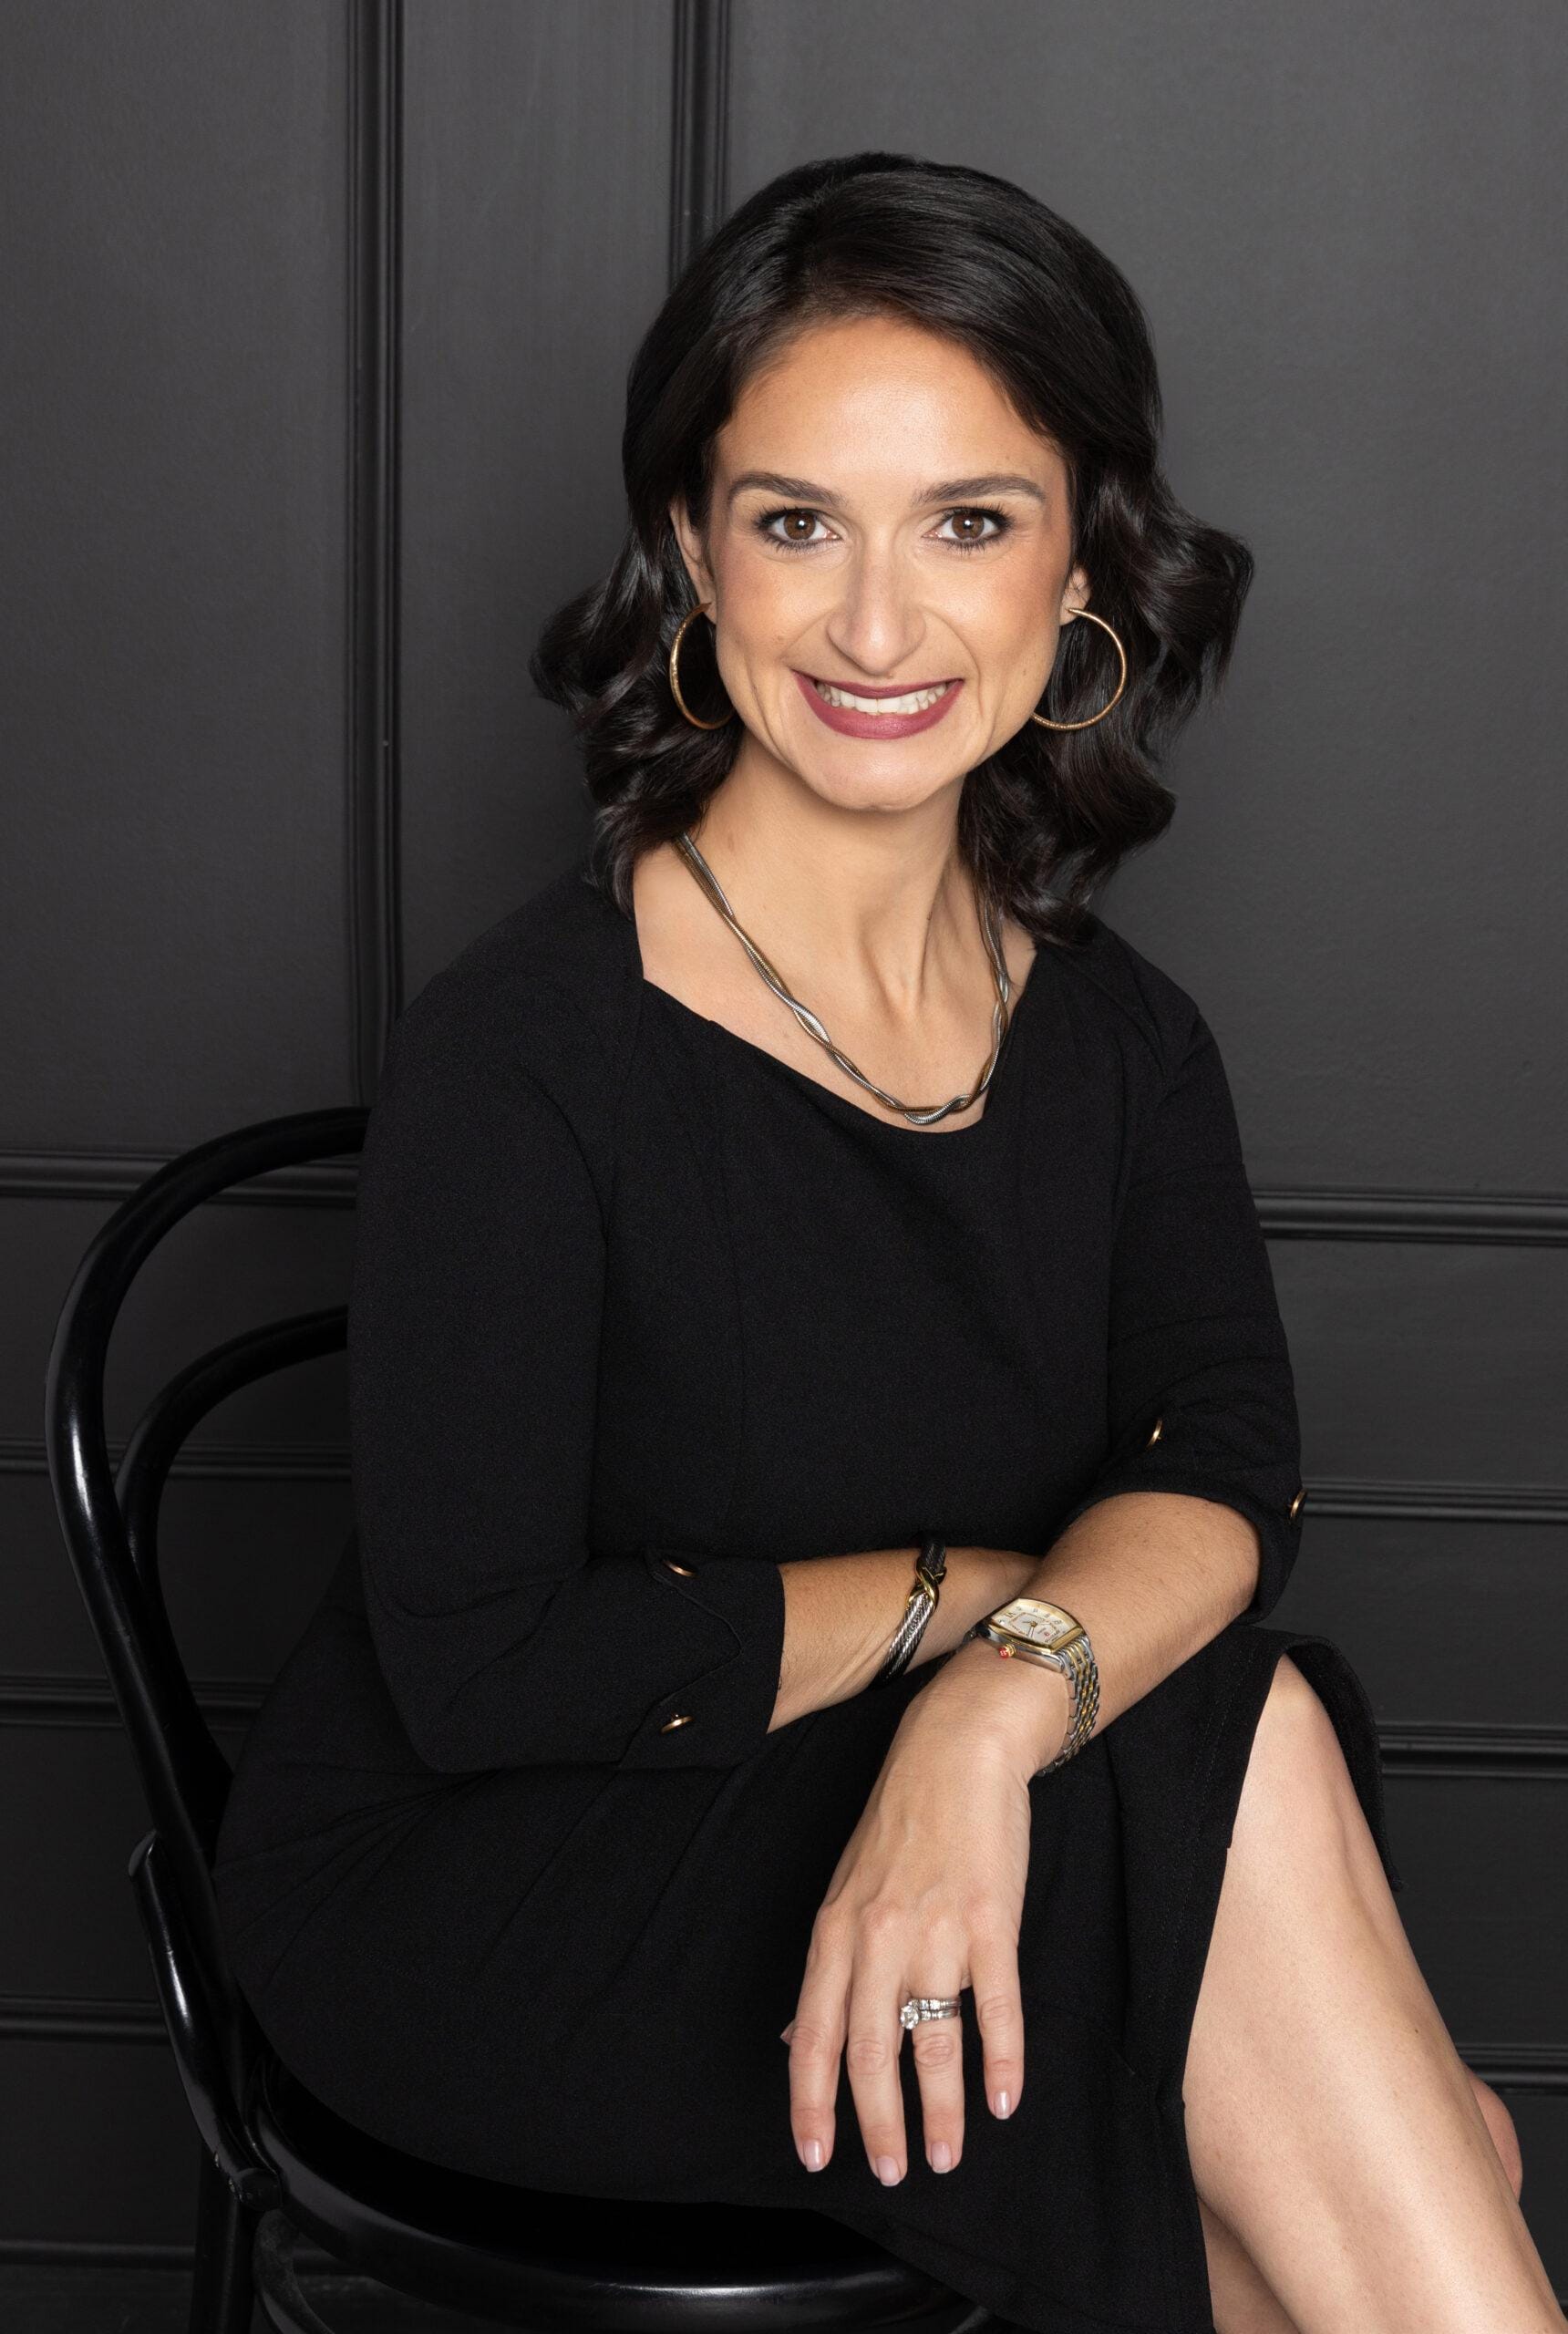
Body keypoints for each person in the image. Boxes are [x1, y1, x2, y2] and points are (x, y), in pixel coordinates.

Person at [213, 151, 1560, 2334]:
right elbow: (486, 1661)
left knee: (1337, 2073)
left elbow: (1221, 1462)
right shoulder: (527, 1051)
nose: (868, 624)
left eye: (965, 520)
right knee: (1329, 1965)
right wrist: (993, 1610)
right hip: (511, 1888)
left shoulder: (1118, 1042)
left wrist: (980, 1722)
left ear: (1076, 565)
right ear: (687, 549)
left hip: (933, 1824)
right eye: (791, 521)